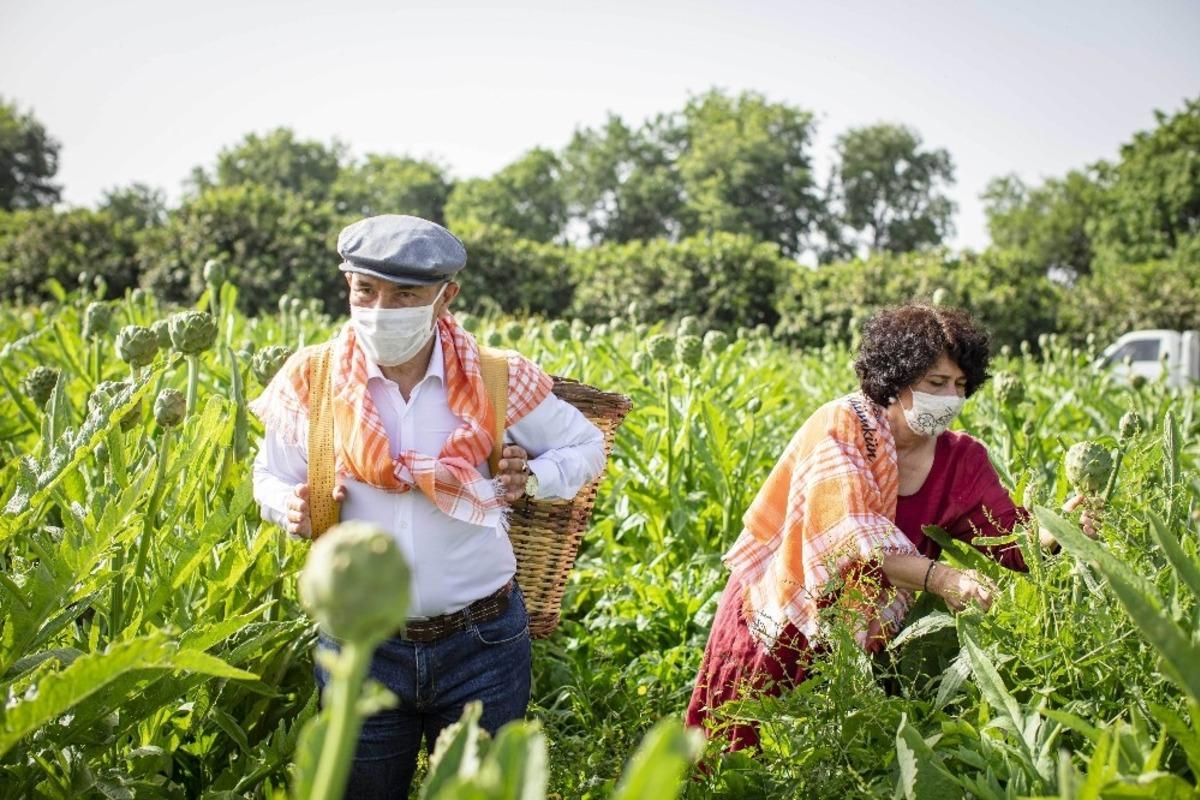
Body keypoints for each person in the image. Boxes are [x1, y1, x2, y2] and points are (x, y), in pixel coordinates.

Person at [250, 214, 606, 798]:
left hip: (483, 643)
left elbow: (586, 446)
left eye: (406, 295)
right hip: (362, 647)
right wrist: (286, 505)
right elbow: (269, 475)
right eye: (365, 290)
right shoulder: (312, 380)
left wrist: (534, 476)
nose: (381, 308)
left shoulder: (496, 377)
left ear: (446, 297)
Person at [685, 303, 1095, 750]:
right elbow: (846, 540)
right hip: (777, 621)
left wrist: (1063, 530)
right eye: (936, 383)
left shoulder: (963, 460)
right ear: (896, 380)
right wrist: (942, 578)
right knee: (733, 759)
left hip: (859, 649)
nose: (950, 399)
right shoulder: (843, 427)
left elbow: (1012, 541)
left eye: (960, 385)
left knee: (828, 763)